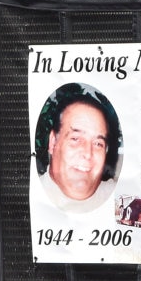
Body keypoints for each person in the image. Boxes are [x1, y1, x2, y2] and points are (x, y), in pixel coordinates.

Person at [35, 84, 121, 212]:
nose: (88, 153)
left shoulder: (119, 199)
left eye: (98, 143)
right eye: (75, 139)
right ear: (53, 143)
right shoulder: (31, 198)